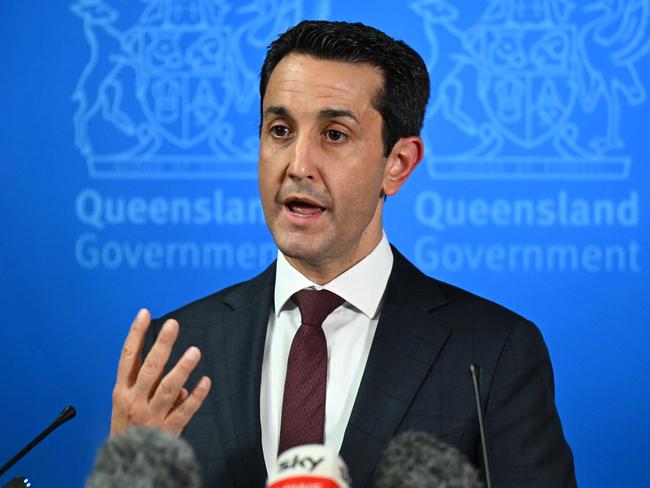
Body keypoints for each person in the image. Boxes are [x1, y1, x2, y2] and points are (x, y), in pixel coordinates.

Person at [109, 20, 576, 487]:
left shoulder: (490, 353)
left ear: (398, 164)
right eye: (279, 130)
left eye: (334, 135)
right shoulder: (176, 352)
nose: (298, 165)